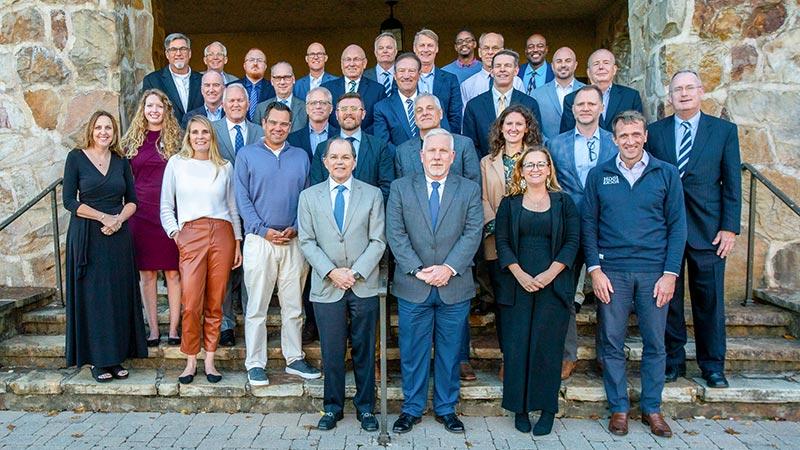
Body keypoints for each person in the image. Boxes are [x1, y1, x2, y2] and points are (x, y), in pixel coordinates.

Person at [583, 110, 686, 438]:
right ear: (614, 140)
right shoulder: (599, 175)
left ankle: (652, 408)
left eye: (635, 134)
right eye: (623, 136)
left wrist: (670, 273)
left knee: (656, 343)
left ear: (644, 136)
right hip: (613, 272)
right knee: (612, 341)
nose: (630, 141)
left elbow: (677, 226)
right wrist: (595, 271)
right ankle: (619, 408)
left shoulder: (666, 174)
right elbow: (589, 225)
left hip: (654, 273)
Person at [646, 70, 741, 389]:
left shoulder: (723, 131)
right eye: (677, 89)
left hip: (709, 230)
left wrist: (730, 227)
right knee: (668, 300)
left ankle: (712, 365)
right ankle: (673, 361)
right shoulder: (654, 132)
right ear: (669, 96)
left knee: (709, 299)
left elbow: (732, 183)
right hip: (665, 230)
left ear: (701, 91)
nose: (683, 94)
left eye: (689, 88)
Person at [387, 128, 483, 435]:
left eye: (444, 151)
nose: (438, 156)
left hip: (454, 285)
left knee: (450, 351)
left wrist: (449, 268)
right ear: (421, 156)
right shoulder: (401, 188)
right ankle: (411, 409)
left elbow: (473, 232)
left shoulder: (467, 189)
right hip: (413, 284)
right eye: (432, 151)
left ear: (453, 156)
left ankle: (446, 408)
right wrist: (417, 269)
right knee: (412, 352)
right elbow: (396, 233)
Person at [298, 138, 386, 432]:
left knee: (364, 350)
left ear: (354, 161)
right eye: (334, 157)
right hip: (327, 286)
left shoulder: (372, 195)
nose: (339, 162)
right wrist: (332, 272)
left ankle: (366, 409)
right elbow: (307, 241)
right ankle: (332, 408)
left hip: (363, 285)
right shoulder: (309, 197)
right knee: (331, 352)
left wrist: (356, 272)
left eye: (345, 157)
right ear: (324, 162)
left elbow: (378, 241)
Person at [494, 146, 579, 435]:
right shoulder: (510, 203)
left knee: (547, 350)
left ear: (548, 169)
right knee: (517, 348)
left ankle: (547, 410)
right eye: (529, 164)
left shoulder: (564, 203)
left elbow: (572, 242)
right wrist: (519, 274)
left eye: (540, 164)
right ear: (521, 169)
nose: (534, 169)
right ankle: (519, 408)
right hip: (517, 286)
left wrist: (549, 274)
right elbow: (502, 242)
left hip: (552, 286)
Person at [235, 101, 320, 386]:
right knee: (257, 305)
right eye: (273, 122)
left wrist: (297, 228)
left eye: (284, 124)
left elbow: (308, 197)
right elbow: (242, 198)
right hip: (260, 240)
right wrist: (262, 229)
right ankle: (255, 363)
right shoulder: (246, 155)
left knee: (293, 305)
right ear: (264, 122)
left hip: (294, 241)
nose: (278, 128)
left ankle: (294, 358)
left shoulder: (301, 156)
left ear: (290, 125)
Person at [63, 111, 148, 383]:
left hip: (118, 235)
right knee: (94, 299)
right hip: (88, 234)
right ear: (91, 130)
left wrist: (118, 220)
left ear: (114, 132)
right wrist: (103, 217)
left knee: (116, 297)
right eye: (99, 127)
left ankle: (116, 358)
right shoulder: (76, 158)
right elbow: (69, 201)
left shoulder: (121, 161)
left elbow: (132, 199)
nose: (103, 132)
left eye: (108, 128)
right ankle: (98, 361)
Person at [160, 116, 242, 384]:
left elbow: (232, 207)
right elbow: (165, 206)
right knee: (192, 301)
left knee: (216, 301)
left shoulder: (224, 166)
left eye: (204, 132)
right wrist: (176, 234)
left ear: (212, 135)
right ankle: (190, 359)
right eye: (195, 132)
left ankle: (210, 359)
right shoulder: (177, 164)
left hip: (222, 234)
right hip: (190, 233)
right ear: (188, 136)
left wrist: (238, 241)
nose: (200, 136)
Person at [548, 85, 618, 380]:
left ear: (601, 108)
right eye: (580, 104)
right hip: (569, 226)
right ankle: (567, 354)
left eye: (592, 103)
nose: (586, 108)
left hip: (609, 226)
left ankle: (607, 354)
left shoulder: (616, 144)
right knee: (564, 293)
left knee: (611, 294)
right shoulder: (556, 144)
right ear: (572, 109)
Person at [480, 104, 544, 380]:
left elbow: (548, 192)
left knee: (530, 304)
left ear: (527, 127)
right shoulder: (487, 162)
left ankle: (531, 358)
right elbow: (482, 198)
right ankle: (509, 358)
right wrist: (500, 227)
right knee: (505, 303)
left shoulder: (537, 158)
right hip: (497, 241)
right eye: (509, 124)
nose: (514, 128)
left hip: (532, 242)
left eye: (519, 124)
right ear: (501, 129)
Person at [120, 89, 182, 348]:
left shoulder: (177, 140)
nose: (154, 110)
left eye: (159, 106)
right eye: (149, 106)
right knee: (146, 274)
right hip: (140, 213)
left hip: (169, 211)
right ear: (143, 110)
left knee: (173, 273)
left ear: (166, 109)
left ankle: (175, 329)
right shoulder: (131, 142)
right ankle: (154, 329)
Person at [213, 84, 264, 347]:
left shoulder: (259, 132)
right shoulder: (212, 132)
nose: (236, 104)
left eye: (240, 101)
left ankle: (251, 318)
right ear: (223, 104)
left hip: (254, 209)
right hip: (222, 210)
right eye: (231, 100)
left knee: (251, 269)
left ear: (248, 104)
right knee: (225, 269)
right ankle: (226, 324)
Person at [311, 92, 394, 201]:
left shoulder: (379, 147)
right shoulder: (322, 148)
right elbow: (317, 188)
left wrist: (367, 210)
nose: (349, 113)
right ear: (336, 114)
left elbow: (387, 186)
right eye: (344, 109)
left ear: (363, 114)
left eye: (354, 108)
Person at [463, 49, 542, 158]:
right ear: (491, 71)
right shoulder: (474, 106)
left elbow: (535, 141)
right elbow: (471, 145)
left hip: (521, 169)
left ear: (516, 70)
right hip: (486, 169)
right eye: (498, 66)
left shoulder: (529, 104)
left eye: (508, 65)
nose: (502, 69)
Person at [395, 93, 480, 183]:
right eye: (419, 110)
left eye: (430, 108)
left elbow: (474, 187)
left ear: (440, 113)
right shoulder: (402, 152)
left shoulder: (464, 145)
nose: (425, 113)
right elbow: (400, 190)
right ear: (415, 119)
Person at [560, 49, 643, 133]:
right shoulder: (571, 99)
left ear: (614, 69)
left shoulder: (631, 97)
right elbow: (566, 136)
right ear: (588, 72)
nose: (601, 67)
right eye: (596, 64)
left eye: (606, 63)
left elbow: (638, 132)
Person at [322, 45, 387, 134]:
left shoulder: (378, 90)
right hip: (334, 142)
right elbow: (323, 118)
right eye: (348, 60)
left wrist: (359, 137)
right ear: (342, 64)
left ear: (364, 63)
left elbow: (379, 122)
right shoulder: (326, 89)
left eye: (356, 59)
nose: (352, 64)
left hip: (366, 142)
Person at [142, 33, 203, 124]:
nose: (178, 53)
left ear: (189, 53)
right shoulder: (152, 81)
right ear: (167, 54)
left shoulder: (202, 80)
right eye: (173, 49)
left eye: (183, 49)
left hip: (197, 136)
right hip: (166, 136)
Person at [413, 29, 463, 132]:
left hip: (443, 140)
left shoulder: (450, 80)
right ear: (415, 48)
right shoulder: (405, 79)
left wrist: (447, 139)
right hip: (412, 141)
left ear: (437, 49)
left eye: (430, 45)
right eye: (422, 45)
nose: (426, 49)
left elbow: (455, 116)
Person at [530, 47, 584, 141]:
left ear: (575, 65)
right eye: (559, 61)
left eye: (568, 61)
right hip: (547, 150)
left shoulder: (586, 91)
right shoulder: (537, 94)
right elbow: (533, 125)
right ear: (552, 66)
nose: (563, 65)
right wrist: (548, 145)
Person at [373, 53, 427, 147]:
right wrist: (405, 159)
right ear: (394, 75)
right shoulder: (382, 108)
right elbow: (383, 144)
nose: (406, 76)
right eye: (401, 71)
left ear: (419, 75)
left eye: (411, 71)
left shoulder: (433, 103)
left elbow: (442, 136)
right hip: (397, 161)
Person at [460, 32, 525, 108]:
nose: (490, 52)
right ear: (480, 52)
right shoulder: (467, 85)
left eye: (495, 48)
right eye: (486, 48)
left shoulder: (517, 82)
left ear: (502, 51)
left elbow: (523, 112)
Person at [288, 86, 339, 162]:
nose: (318, 106)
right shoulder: (292, 139)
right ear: (306, 109)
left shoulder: (340, 136)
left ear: (331, 109)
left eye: (323, 103)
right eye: (313, 103)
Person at [253, 62, 307, 132]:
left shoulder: (305, 107)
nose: (282, 82)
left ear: (293, 79)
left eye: (287, 77)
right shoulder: (261, 108)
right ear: (272, 81)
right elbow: (256, 136)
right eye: (278, 78)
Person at [230, 48, 276, 122]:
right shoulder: (230, 87)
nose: (255, 63)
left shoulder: (274, 88)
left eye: (259, 60)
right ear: (244, 65)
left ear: (265, 66)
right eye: (251, 60)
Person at [363, 32, 398, 97]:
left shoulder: (403, 75)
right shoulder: (364, 76)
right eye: (381, 48)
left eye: (389, 47)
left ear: (395, 51)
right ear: (375, 53)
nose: (385, 51)